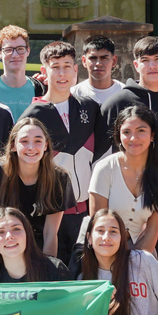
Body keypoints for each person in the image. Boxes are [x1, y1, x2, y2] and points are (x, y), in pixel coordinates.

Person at [99, 37, 158, 290]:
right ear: (135, 65)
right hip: (132, 210)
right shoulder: (118, 103)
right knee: (134, 279)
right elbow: (104, 156)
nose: (152, 66)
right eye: (145, 61)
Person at [18, 41, 101, 258]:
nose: (62, 73)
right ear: (44, 71)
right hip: (48, 215)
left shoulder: (89, 107)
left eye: (67, 66)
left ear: (76, 70)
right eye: (55, 67)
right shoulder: (33, 114)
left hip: (85, 212)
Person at [87, 105, 158, 260]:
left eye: (141, 131)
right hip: (102, 253)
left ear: (153, 135)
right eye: (126, 132)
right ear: (119, 135)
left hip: (143, 254)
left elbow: (152, 232)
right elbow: (98, 228)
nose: (133, 138)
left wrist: (135, 264)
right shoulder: (104, 168)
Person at [0, 119, 71, 257]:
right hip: (8, 247)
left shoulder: (59, 178)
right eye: (24, 141)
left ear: (46, 145)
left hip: (43, 248)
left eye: (38, 141)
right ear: (13, 146)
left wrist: (46, 269)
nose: (31, 147)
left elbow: (50, 233)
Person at [0, 207, 70, 282]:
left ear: (28, 234)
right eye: (1, 232)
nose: (9, 236)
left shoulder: (56, 269)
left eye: (16, 229)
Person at [0, 25, 37, 120]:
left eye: (20, 49)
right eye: (8, 50)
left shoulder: (40, 89)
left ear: (28, 51)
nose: (15, 55)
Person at [71, 35, 124, 105]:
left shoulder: (124, 93)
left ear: (114, 61)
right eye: (93, 58)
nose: (98, 63)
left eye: (104, 58)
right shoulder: (74, 95)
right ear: (84, 61)